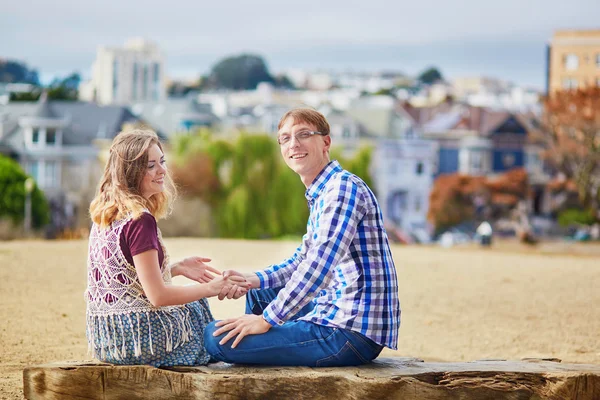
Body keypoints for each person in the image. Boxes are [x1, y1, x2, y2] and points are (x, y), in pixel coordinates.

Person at [204, 108, 401, 367]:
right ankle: (258, 355)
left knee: (214, 338)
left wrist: (266, 321)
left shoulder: (341, 190)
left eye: (304, 135)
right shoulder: (324, 191)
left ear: (326, 142)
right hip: (338, 311)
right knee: (258, 293)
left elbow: (318, 268)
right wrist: (251, 280)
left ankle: (256, 352)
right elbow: (302, 261)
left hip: (349, 331)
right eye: (285, 139)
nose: (293, 144)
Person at [85, 129, 249, 367]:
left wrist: (176, 268)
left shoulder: (105, 214)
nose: (162, 170)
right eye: (150, 165)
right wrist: (213, 288)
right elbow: (158, 296)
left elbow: (123, 282)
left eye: (162, 161)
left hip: (107, 339)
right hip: (137, 340)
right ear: (131, 172)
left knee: (194, 307)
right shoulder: (140, 221)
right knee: (202, 315)